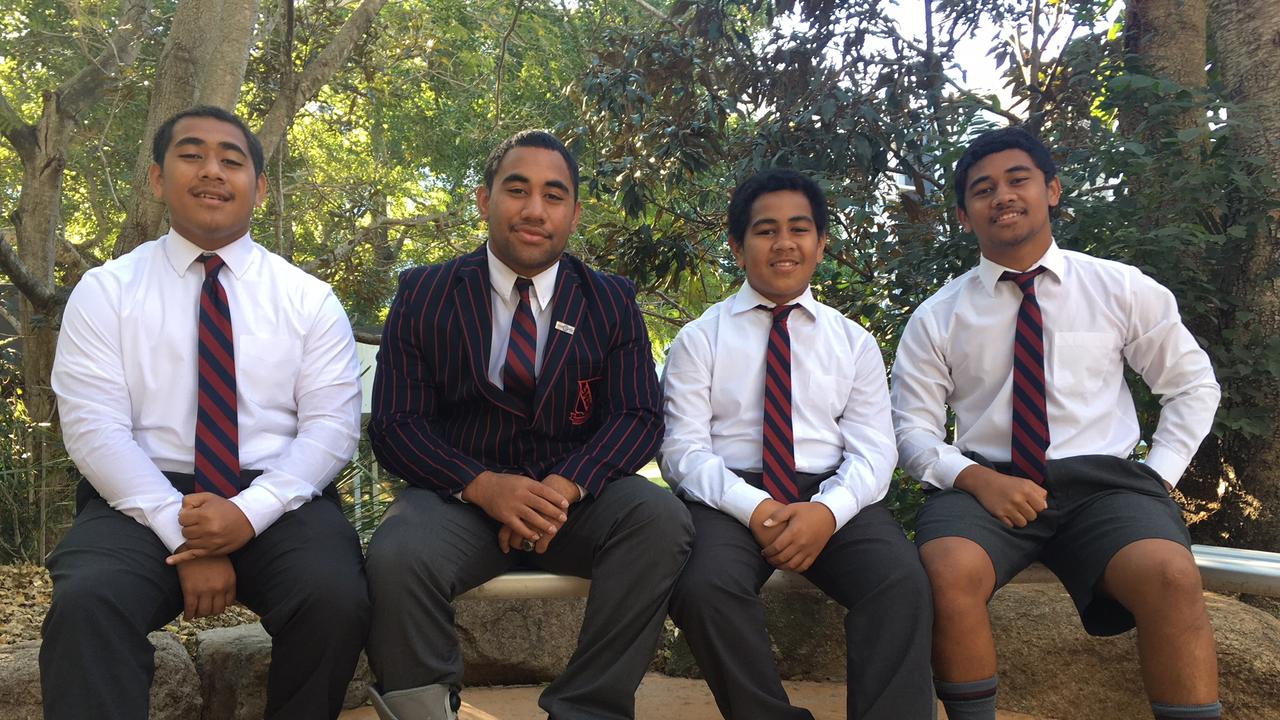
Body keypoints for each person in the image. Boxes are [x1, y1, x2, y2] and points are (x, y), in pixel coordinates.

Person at [42, 106, 370, 720]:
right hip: (138, 498)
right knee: (88, 603)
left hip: (278, 498)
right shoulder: (106, 292)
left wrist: (245, 516)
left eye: (232, 159)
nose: (212, 171)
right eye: (191, 155)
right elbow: (94, 430)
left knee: (335, 596)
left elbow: (331, 429)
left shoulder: (308, 299)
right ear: (158, 179)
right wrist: (189, 534)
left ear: (260, 187)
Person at [891, 126, 1222, 720]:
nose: (1003, 196)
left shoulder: (1119, 288)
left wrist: (1158, 476)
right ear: (965, 215)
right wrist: (975, 479)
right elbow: (911, 431)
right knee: (945, 571)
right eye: (982, 189)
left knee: (1171, 576)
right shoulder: (938, 316)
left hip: (1105, 487)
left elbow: (1192, 386)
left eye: (1018, 180)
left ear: (1053, 190)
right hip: (986, 486)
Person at [364, 129, 693, 720]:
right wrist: (486, 487)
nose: (535, 210)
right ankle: (424, 712)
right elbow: (396, 423)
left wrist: (563, 488)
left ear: (574, 212)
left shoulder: (611, 300)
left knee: (660, 519)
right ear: (484, 200)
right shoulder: (424, 293)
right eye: (517, 190)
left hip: (575, 504)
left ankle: (586, 710)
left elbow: (638, 414)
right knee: (397, 555)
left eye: (554, 194)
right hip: (457, 500)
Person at [660, 169, 933, 720]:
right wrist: (754, 507)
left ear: (820, 242)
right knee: (703, 587)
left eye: (799, 229)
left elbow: (875, 450)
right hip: (730, 497)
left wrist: (826, 513)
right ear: (738, 247)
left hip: (831, 495)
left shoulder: (852, 342)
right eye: (765, 231)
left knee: (900, 582)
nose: (784, 243)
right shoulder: (700, 339)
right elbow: (682, 450)